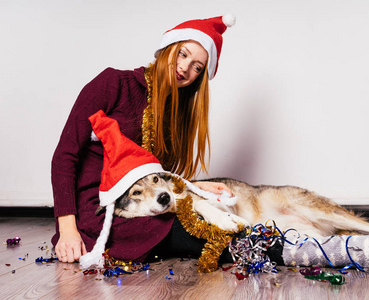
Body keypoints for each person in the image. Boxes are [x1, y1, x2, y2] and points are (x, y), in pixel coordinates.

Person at [51, 15, 237, 264]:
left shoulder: (175, 112)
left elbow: (152, 174)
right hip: (99, 206)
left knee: (198, 210)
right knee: (175, 226)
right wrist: (67, 230)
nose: (185, 68)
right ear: (168, 48)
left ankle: (263, 242)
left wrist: (194, 186)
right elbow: (65, 155)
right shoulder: (113, 83)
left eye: (197, 66)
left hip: (143, 203)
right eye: (183, 54)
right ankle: (263, 247)